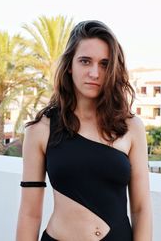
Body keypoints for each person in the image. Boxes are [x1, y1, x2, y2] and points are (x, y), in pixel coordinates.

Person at [16, 20, 152, 241]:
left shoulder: (130, 127)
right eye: (85, 61)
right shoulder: (41, 130)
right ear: (70, 65)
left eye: (105, 64)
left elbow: (141, 208)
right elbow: (30, 214)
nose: (94, 73)